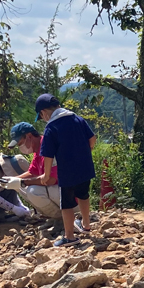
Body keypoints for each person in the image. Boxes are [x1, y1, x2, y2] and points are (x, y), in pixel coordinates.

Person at [36, 94, 97, 247]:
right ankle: (86, 224)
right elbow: (92, 139)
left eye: (41, 116)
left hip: (67, 171)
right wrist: (85, 152)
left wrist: (46, 174)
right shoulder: (77, 119)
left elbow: (48, 155)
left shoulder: (51, 127)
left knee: (67, 204)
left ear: (44, 112)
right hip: (85, 166)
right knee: (83, 194)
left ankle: (69, 236)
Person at [5, 121, 61, 219]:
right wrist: (12, 180)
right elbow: (32, 172)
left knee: (33, 191)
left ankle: (60, 218)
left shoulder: (48, 146)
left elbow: (51, 179)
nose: (20, 147)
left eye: (20, 143)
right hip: (57, 192)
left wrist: (22, 182)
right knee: (20, 187)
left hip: (67, 193)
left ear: (29, 136)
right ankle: (52, 217)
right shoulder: (38, 149)